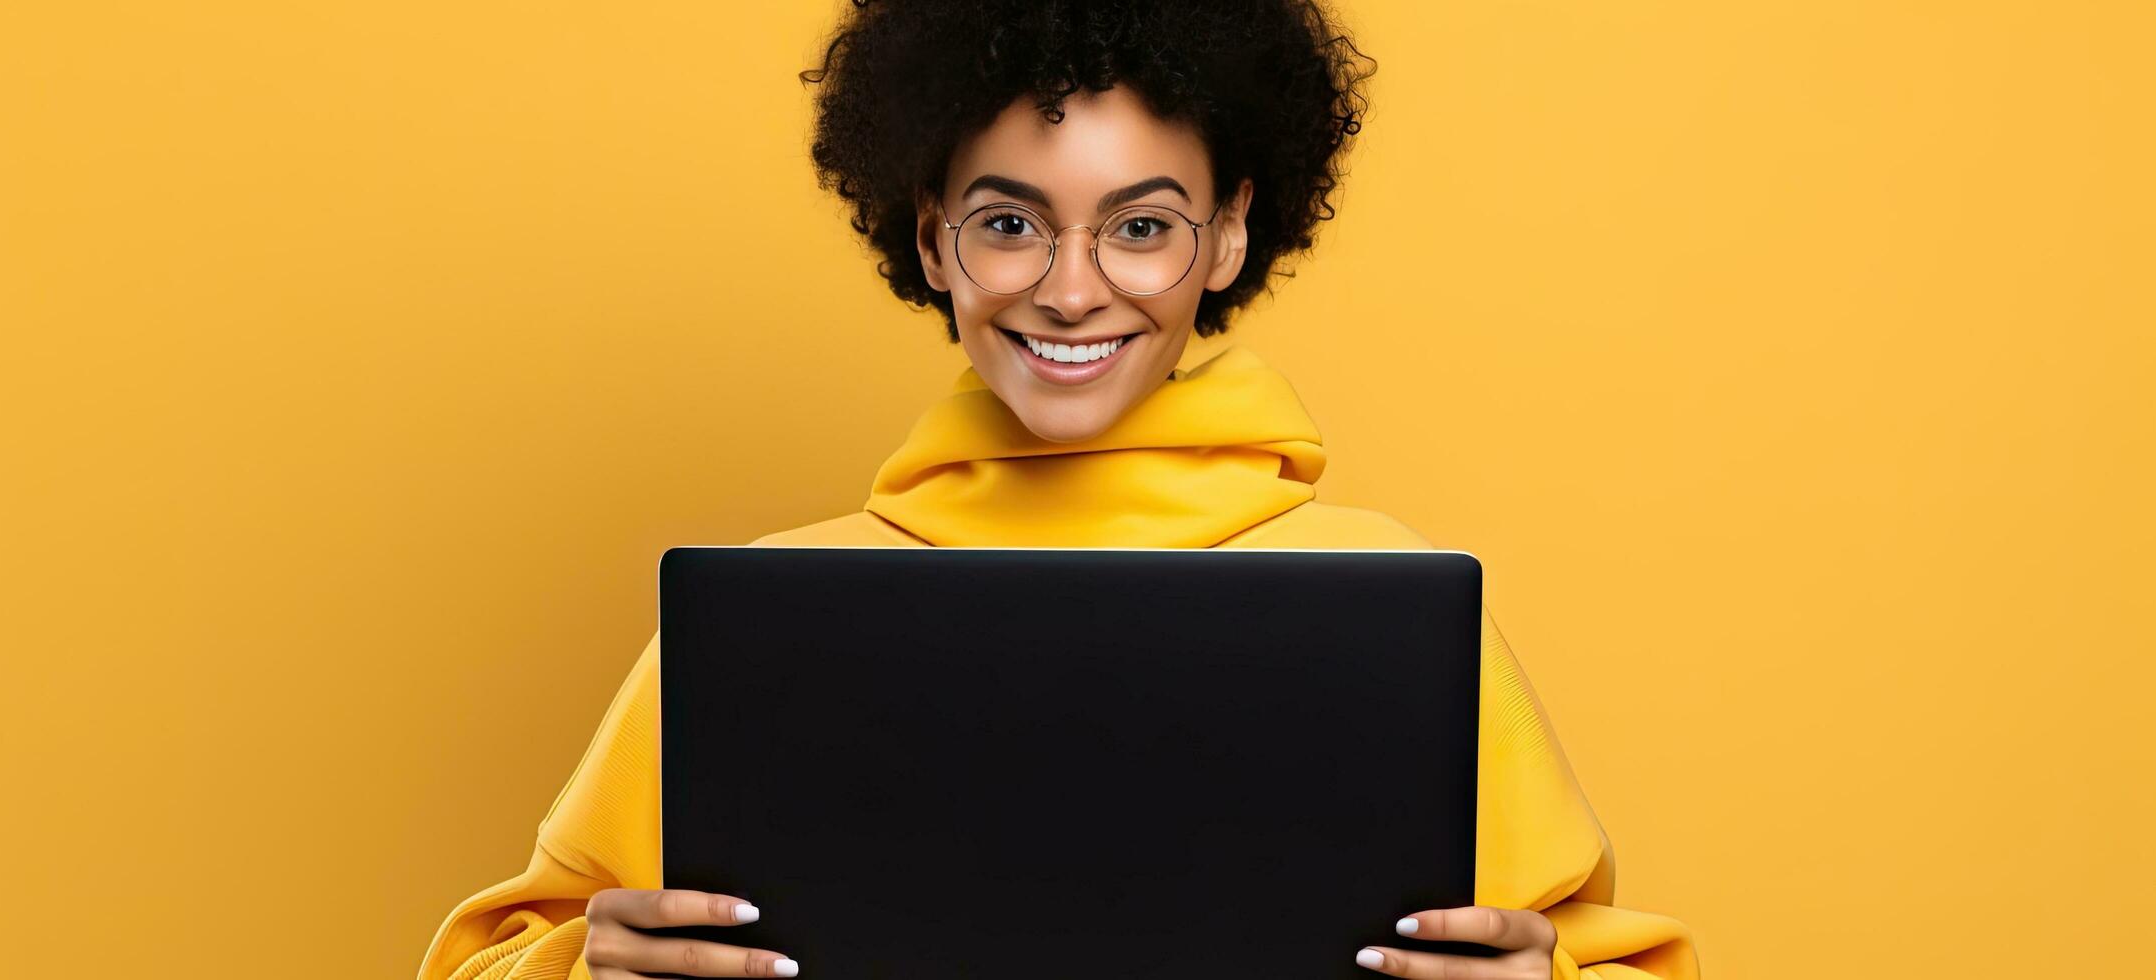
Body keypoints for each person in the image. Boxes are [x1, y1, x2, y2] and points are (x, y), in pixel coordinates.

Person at [414, 2, 1699, 978]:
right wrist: (590, 963)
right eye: (1010, 221)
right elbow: (510, 944)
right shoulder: (770, 613)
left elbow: (1601, 951)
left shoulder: (1395, 606)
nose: (1072, 289)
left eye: (1140, 225)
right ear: (931, 237)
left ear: (1230, 230)